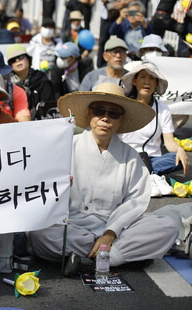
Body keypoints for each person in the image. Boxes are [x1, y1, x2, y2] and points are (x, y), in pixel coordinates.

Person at [30, 83, 179, 275]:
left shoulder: (131, 157)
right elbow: (43, 192)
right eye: (99, 111)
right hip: (71, 226)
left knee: (167, 225)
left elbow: (134, 203)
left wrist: (110, 234)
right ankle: (116, 256)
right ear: (89, 114)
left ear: (120, 120)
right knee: (39, 232)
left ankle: (94, 260)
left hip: (116, 229)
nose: (105, 118)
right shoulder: (65, 147)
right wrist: (58, 189)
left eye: (113, 114)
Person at [120, 62, 189, 179]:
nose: (147, 82)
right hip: (126, 157)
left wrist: (180, 149)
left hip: (153, 159)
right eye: (143, 77)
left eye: (152, 78)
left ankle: (138, 174)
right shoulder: (124, 105)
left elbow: (169, 142)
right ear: (134, 81)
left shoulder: (163, 109)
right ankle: (148, 175)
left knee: (177, 159)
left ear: (156, 83)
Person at [6, 44, 54, 118]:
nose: (17, 60)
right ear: (10, 65)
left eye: (21, 57)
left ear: (28, 59)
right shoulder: (7, 83)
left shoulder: (41, 79)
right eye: (13, 60)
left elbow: (49, 107)